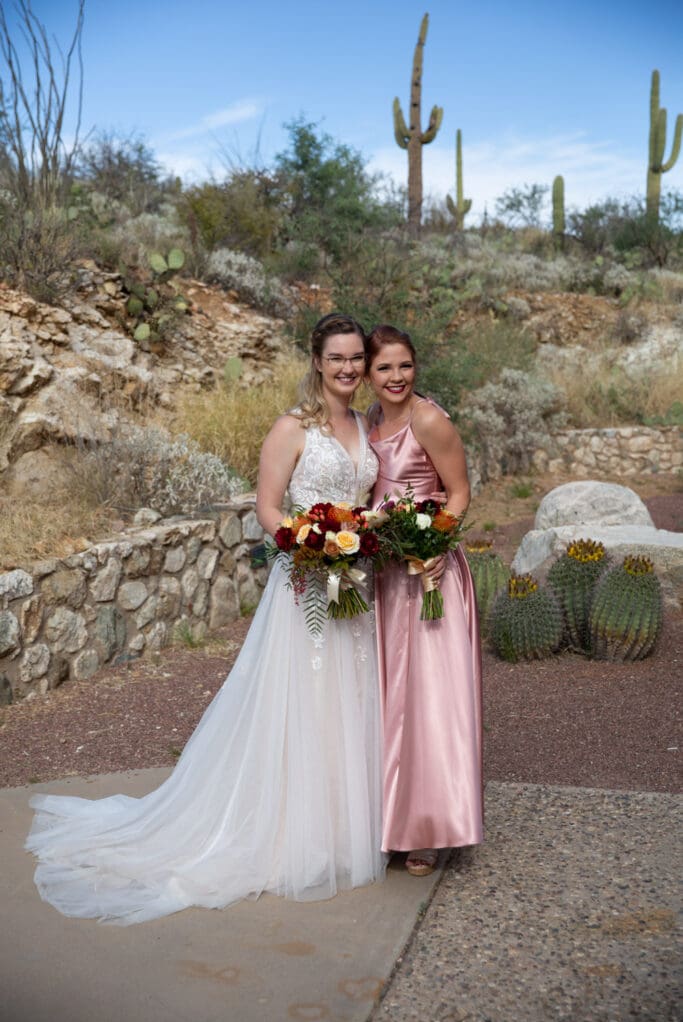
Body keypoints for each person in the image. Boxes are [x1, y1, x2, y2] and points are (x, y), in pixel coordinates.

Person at [25, 313, 385, 924]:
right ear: (317, 362)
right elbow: (269, 509)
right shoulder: (292, 428)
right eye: (338, 358)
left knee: (345, 702)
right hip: (305, 583)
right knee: (299, 700)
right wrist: (311, 544)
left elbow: (368, 501)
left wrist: (359, 543)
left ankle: (342, 825)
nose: (348, 368)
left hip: (354, 585)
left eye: (357, 358)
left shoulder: (364, 426)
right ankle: (284, 834)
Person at [365, 324, 483, 877]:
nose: (396, 377)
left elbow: (458, 491)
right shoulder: (367, 424)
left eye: (405, 365)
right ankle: (389, 820)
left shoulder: (429, 420)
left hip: (430, 575)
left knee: (431, 704)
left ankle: (431, 826)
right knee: (388, 701)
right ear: (367, 372)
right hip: (385, 578)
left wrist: (437, 543)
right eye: (384, 367)